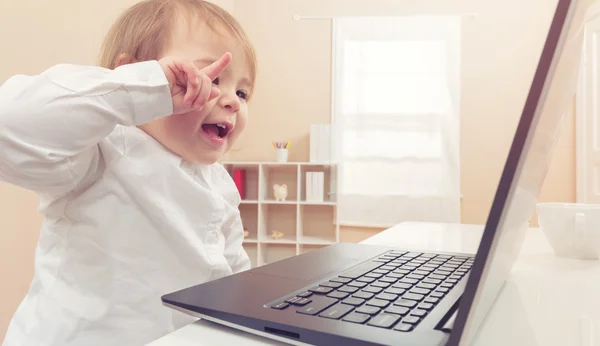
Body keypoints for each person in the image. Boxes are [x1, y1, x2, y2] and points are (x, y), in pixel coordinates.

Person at [0, 0, 256, 345]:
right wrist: (140, 87)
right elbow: (10, 126)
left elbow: (232, 273)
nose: (233, 101)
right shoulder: (100, 153)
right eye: (210, 77)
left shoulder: (219, 184)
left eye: (242, 91)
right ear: (133, 74)